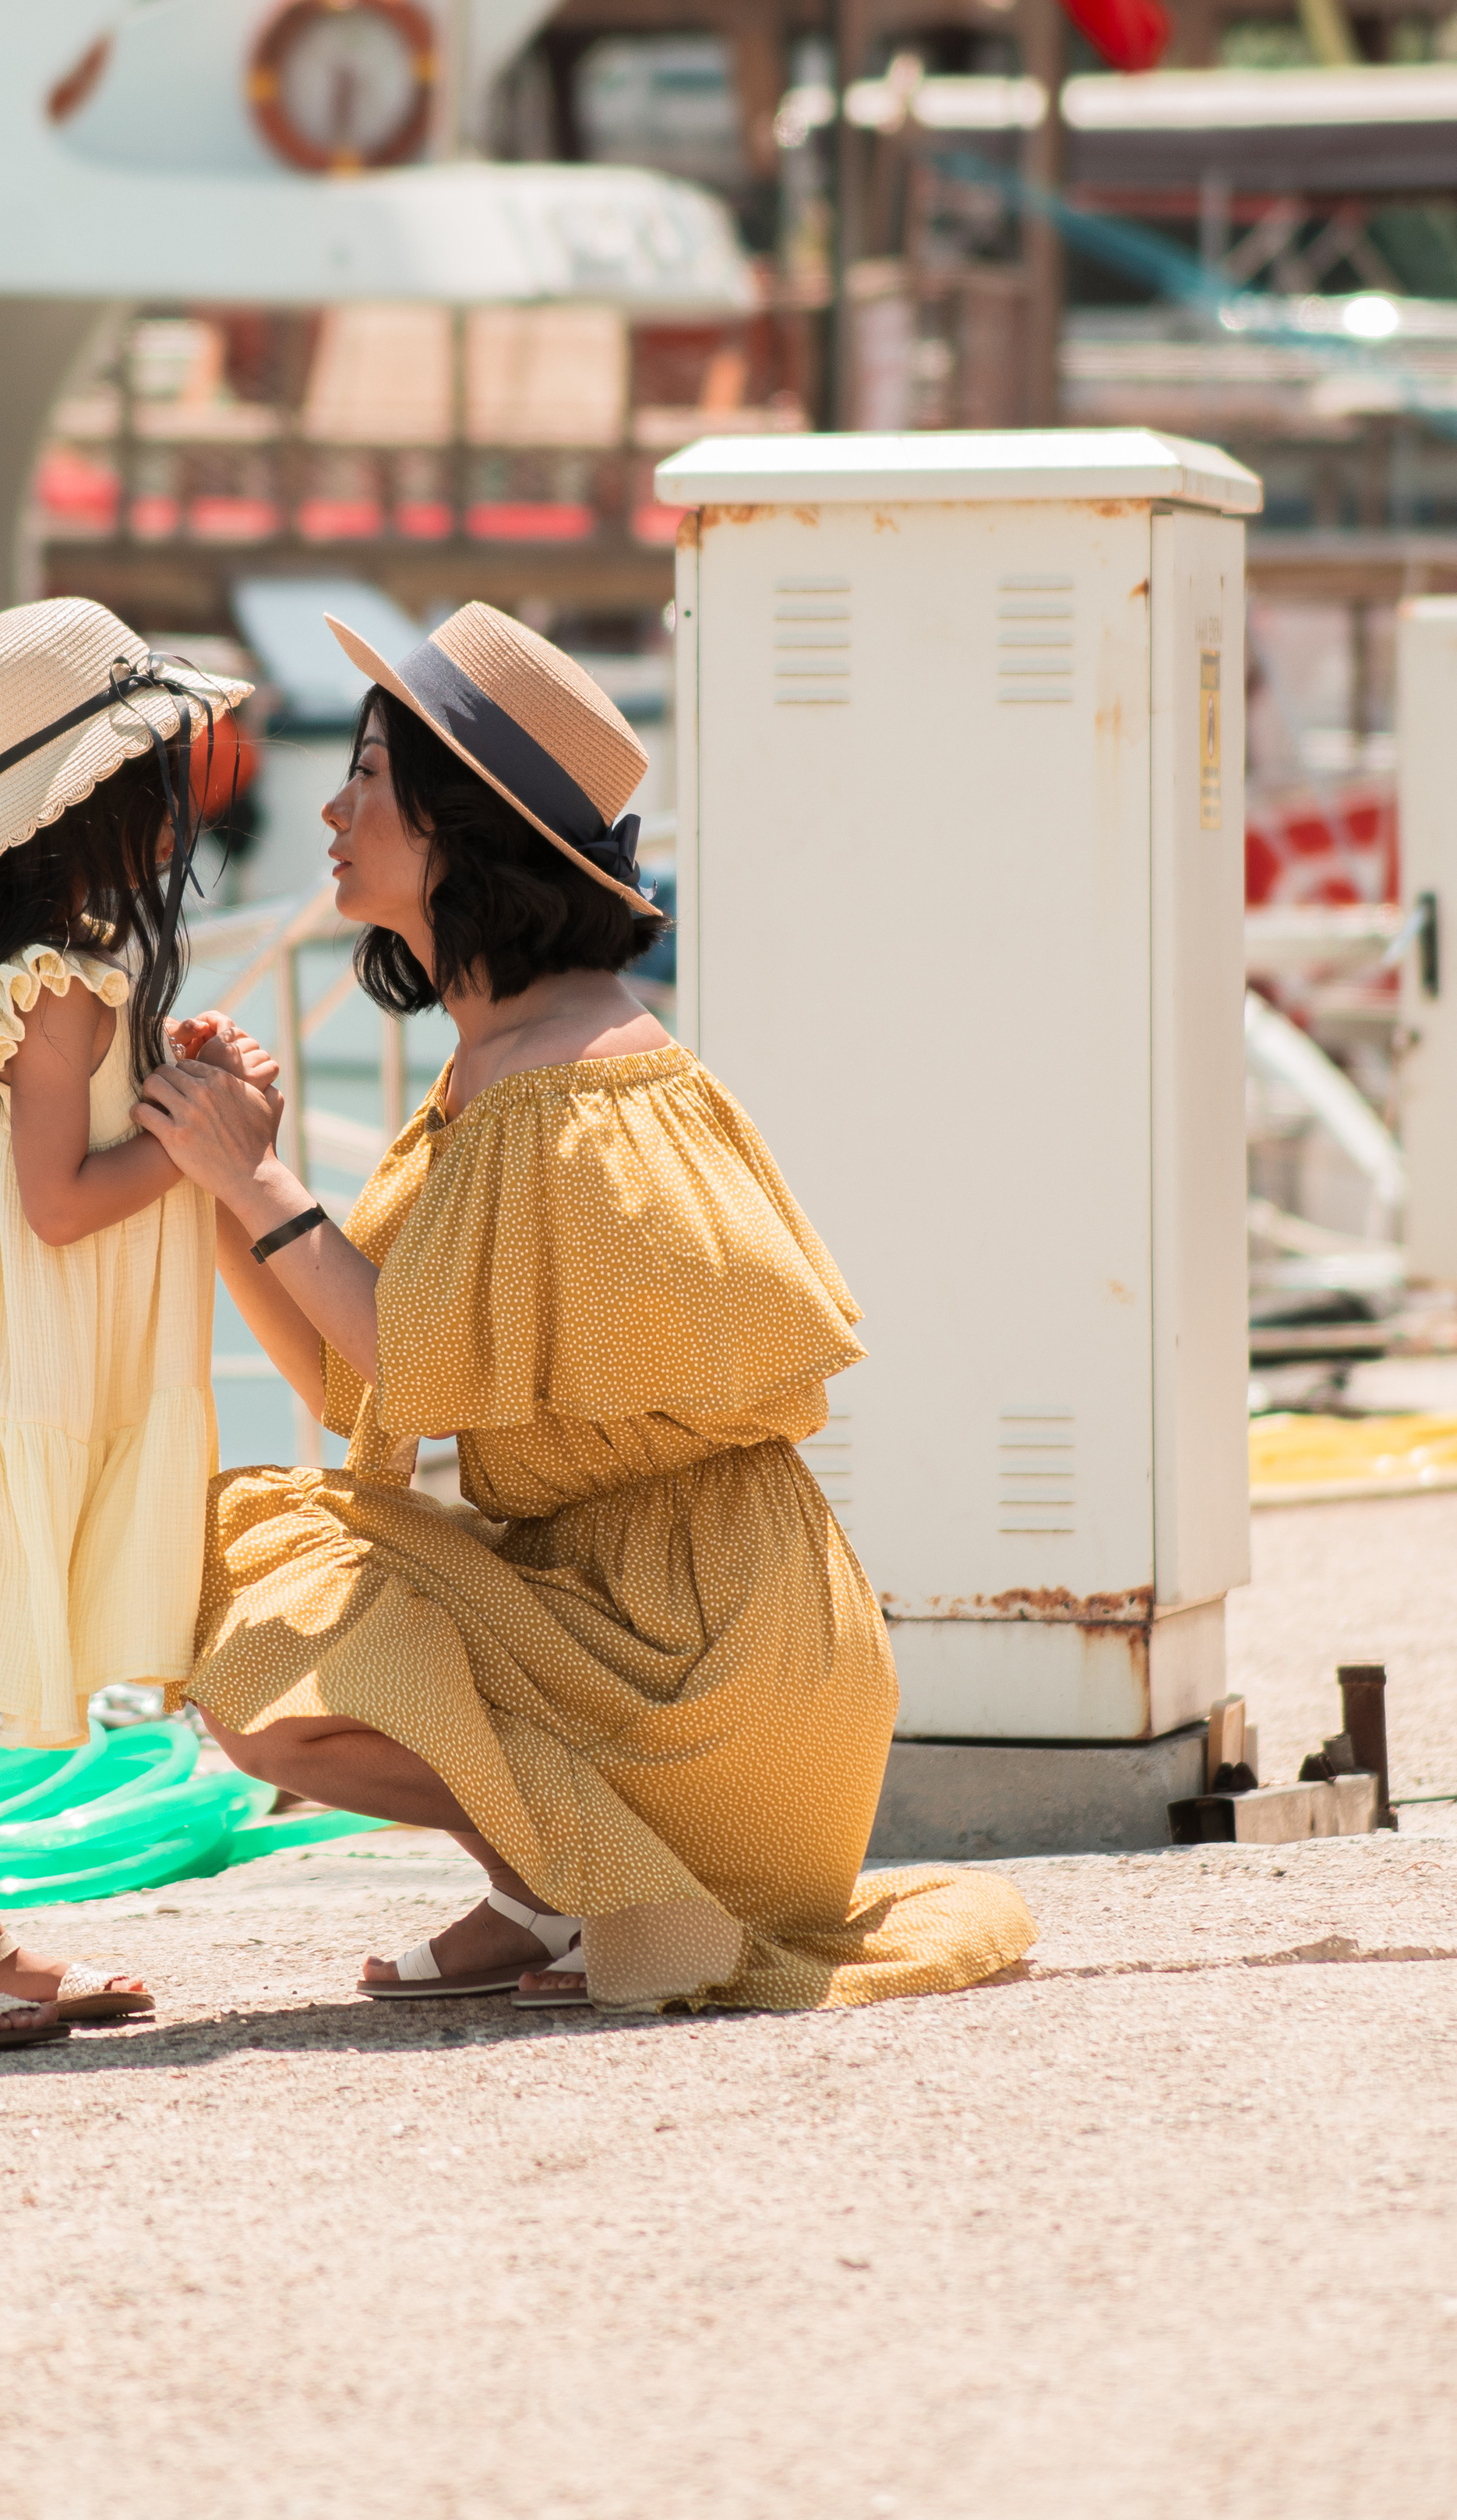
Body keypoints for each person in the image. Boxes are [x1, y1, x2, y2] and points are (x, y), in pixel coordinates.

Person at [136, 601, 1039, 2012]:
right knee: (238, 1554)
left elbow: (396, 1353)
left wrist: (252, 1179)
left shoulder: (564, 1081)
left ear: (458, 824)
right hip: (671, 1622)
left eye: (370, 774)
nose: (332, 804)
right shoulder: (521, 1053)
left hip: (708, 1673)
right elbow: (351, 1379)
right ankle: (545, 1884)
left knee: (258, 1603)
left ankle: (576, 1883)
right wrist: (220, 1167)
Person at [0, 597, 270, 2055]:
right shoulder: (64, 986)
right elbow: (62, 1205)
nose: (180, 800)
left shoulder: (73, 973)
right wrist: (215, 1137)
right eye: (155, 773)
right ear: (88, 801)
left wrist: (182, 1085)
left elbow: (72, 1162)